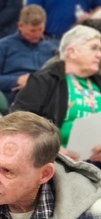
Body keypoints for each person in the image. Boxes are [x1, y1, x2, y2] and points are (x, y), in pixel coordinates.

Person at [12, 24, 101, 161]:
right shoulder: (44, 80)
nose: (99, 55)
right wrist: (53, 149)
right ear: (72, 52)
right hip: (55, 160)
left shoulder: (98, 82)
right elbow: (18, 122)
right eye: (94, 48)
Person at [0, 4, 59, 105]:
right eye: (32, 30)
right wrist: (17, 80)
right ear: (20, 26)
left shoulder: (51, 49)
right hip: (16, 96)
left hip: (46, 94)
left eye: (40, 29)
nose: (37, 34)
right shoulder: (4, 46)